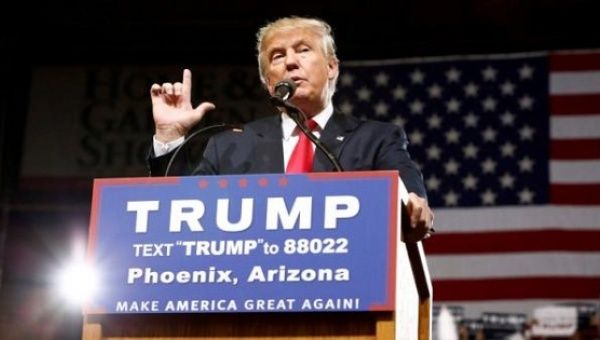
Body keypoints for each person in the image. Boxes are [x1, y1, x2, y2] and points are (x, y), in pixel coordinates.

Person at [147, 16, 434, 240]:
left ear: (332, 67)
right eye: (277, 56)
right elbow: (179, 213)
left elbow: (410, 196)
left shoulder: (376, 139)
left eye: (303, 50)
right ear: (267, 81)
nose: (291, 62)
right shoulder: (230, 146)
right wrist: (170, 136)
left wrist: (412, 205)